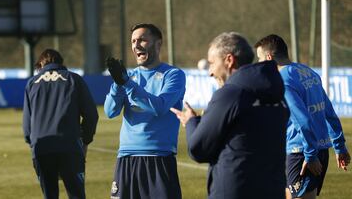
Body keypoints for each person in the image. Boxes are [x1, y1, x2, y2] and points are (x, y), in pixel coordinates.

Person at [170, 32, 290, 199]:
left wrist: (191, 122)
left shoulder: (230, 94)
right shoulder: (275, 92)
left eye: (212, 63)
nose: (210, 72)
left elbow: (198, 149)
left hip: (235, 190)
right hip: (272, 190)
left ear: (229, 60)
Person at [254, 34, 351, 199]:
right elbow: (329, 112)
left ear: (269, 58)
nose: (259, 64)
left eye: (260, 59)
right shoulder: (308, 72)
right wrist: (339, 146)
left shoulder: (283, 80)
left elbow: (303, 120)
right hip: (318, 150)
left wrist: (310, 155)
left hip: (301, 152)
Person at [104, 23, 185, 199]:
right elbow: (110, 111)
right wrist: (118, 84)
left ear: (158, 44)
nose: (136, 45)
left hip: (159, 157)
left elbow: (160, 107)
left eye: (142, 40)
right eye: (133, 41)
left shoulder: (173, 75)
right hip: (126, 158)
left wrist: (126, 84)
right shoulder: (128, 76)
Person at [22, 49, 99, 199]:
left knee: (50, 195)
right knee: (76, 195)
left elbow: (27, 128)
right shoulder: (74, 79)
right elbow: (91, 115)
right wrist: (85, 141)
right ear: (61, 62)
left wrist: (33, 145)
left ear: (40, 64)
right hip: (70, 147)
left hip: (41, 148)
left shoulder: (31, 83)